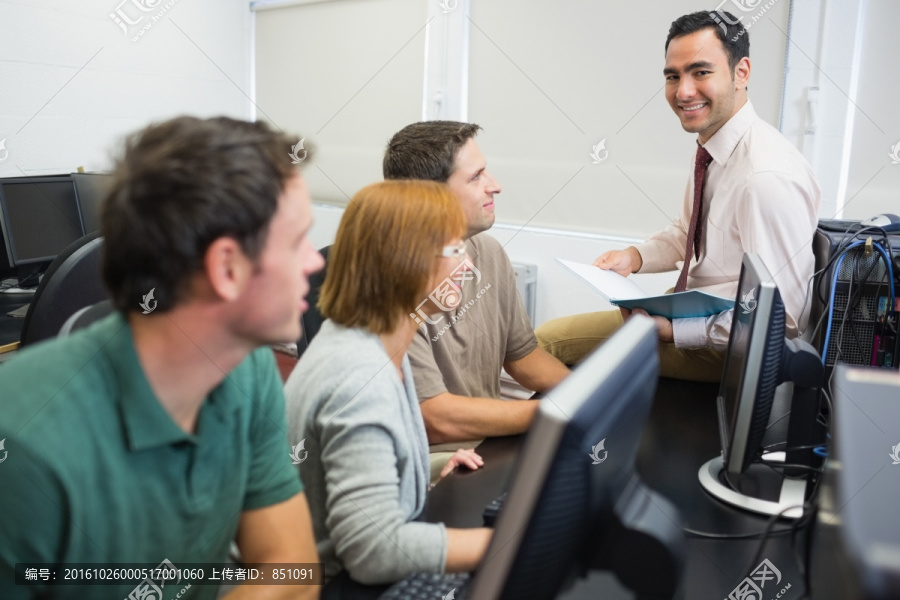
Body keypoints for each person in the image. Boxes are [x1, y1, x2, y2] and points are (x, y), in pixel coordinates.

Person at [0, 117, 323, 600]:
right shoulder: (23, 447)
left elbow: (291, 571)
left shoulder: (248, 368)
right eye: (297, 241)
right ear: (227, 268)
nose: (315, 262)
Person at [536, 11, 821, 381]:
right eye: (673, 76)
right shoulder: (714, 144)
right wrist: (635, 257)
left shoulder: (765, 177)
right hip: (694, 313)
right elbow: (690, 231)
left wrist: (676, 332)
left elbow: (784, 319)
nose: (683, 91)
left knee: (544, 344)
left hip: (726, 349)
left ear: (741, 73)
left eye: (701, 72)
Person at [284, 180, 493, 594]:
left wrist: (424, 475)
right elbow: (373, 551)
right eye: (455, 251)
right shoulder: (359, 379)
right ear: (405, 263)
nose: (468, 266)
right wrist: (510, 543)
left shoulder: (374, 341)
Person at [382, 122, 570, 447]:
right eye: (475, 177)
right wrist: (553, 414)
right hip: (432, 458)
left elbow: (523, 358)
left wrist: (587, 396)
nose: (494, 186)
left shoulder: (489, 252)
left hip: (487, 441)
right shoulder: (388, 286)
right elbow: (436, 420)